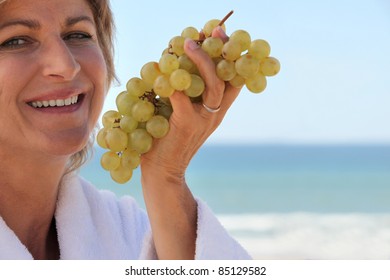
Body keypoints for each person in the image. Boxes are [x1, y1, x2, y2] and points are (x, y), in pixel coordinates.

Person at [0, 0, 251, 260]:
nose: (66, 65)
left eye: (78, 35)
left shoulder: (128, 232)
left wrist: (166, 176)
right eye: (16, 41)